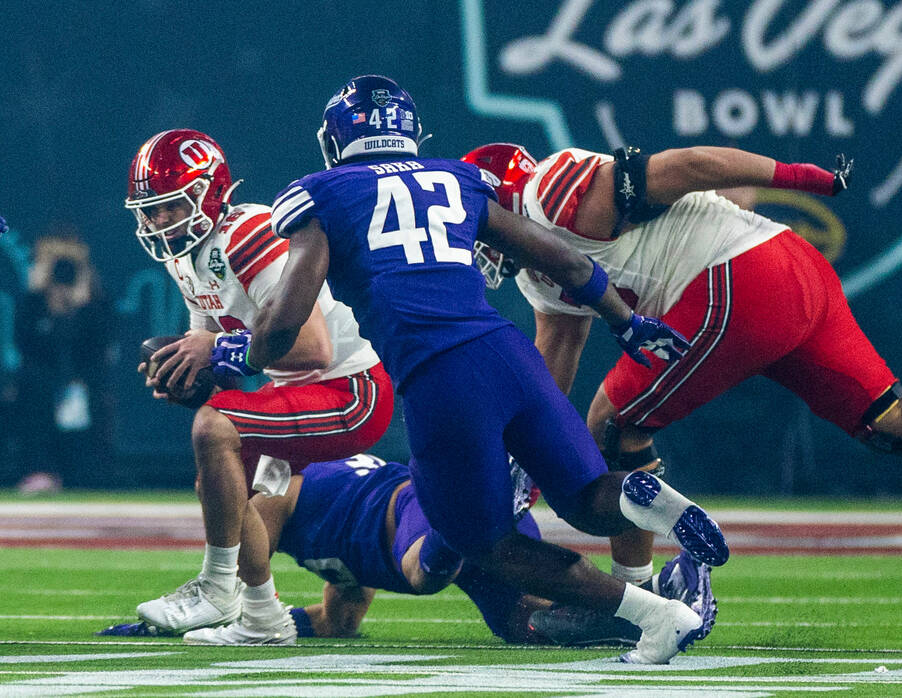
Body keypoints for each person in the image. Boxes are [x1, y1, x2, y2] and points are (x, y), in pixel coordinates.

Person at [462, 142, 902, 588]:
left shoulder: (555, 193)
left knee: (612, 429)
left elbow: (691, 164)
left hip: (737, 279)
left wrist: (793, 177)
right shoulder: (538, 271)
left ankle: (639, 596)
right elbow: (553, 365)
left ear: (499, 197)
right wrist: (521, 454)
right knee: (895, 422)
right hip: (790, 271)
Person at [213, 74, 723, 664]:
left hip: (441, 377)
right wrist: (624, 321)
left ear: (337, 140)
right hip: (510, 358)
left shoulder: (322, 195)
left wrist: (239, 355)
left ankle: (655, 617)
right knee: (585, 497)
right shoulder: (456, 178)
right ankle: (656, 501)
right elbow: (558, 256)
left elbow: (284, 323)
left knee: (487, 544)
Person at [123, 129, 395, 644]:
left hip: (351, 390)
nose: (157, 221)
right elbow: (217, 358)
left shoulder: (250, 233)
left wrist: (216, 351)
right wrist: (184, 374)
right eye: (150, 210)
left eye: (169, 207)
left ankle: (216, 587)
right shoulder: (187, 256)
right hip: (297, 389)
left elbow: (313, 347)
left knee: (215, 427)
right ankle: (263, 619)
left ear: (207, 193)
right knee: (220, 484)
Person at [102, 454, 716, 646]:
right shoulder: (320, 544)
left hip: (419, 505)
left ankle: (483, 500)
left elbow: (244, 542)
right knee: (525, 622)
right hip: (423, 523)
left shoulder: (276, 498)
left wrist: (195, 619)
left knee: (419, 571)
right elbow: (339, 616)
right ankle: (659, 601)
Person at [10, 233, 118, 491]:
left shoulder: (94, 304)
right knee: (34, 393)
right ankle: (41, 471)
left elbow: (99, 343)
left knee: (88, 410)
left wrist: (81, 302)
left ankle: (84, 475)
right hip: (42, 384)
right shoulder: (34, 303)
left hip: (83, 383)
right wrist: (40, 292)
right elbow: (25, 341)